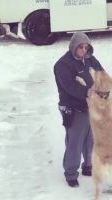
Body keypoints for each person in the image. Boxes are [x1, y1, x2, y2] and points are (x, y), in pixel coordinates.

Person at [53, 32, 104, 188]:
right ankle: (70, 174)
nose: (83, 49)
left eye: (86, 46)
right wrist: (90, 92)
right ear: (73, 46)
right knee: (75, 141)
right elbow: (70, 87)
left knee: (90, 139)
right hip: (74, 108)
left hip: (91, 106)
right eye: (80, 47)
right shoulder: (63, 64)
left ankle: (88, 166)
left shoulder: (89, 59)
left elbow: (101, 74)